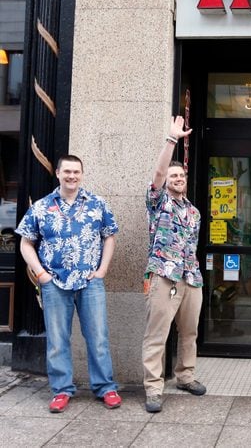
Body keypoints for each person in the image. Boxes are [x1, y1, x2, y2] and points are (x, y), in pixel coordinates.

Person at [16, 155, 121, 412]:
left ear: (82, 174)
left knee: (97, 337)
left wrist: (102, 269)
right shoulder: (41, 207)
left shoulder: (97, 204)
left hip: (90, 282)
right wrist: (41, 273)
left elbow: (109, 237)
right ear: (59, 174)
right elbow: (25, 243)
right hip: (54, 283)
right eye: (67, 172)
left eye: (76, 172)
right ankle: (61, 390)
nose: (72, 176)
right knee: (57, 339)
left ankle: (105, 387)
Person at [142, 116, 206, 413]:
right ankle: (154, 389)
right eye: (173, 176)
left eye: (181, 176)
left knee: (189, 332)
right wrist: (172, 140)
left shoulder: (193, 212)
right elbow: (157, 172)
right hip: (164, 277)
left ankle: (185, 376)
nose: (178, 179)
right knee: (157, 335)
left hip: (191, 278)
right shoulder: (158, 202)